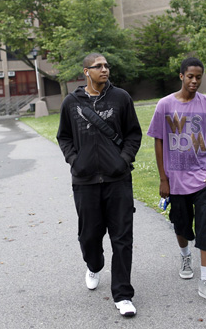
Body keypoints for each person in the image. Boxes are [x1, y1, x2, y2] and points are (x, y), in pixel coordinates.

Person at [57, 53, 142, 317]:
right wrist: (75, 161)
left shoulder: (121, 98)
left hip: (117, 180)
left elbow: (133, 134)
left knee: (122, 239)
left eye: (106, 66)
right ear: (86, 72)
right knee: (89, 236)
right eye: (99, 66)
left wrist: (123, 159)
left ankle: (123, 294)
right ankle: (94, 265)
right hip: (85, 182)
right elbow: (64, 137)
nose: (105, 69)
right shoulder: (71, 103)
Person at [146, 57, 206, 305]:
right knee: (181, 226)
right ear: (181, 76)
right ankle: (184, 256)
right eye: (190, 76)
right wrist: (163, 178)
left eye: (198, 77)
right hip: (176, 181)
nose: (194, 81)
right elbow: (158, 141)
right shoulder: (165, 105)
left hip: (203, 179)